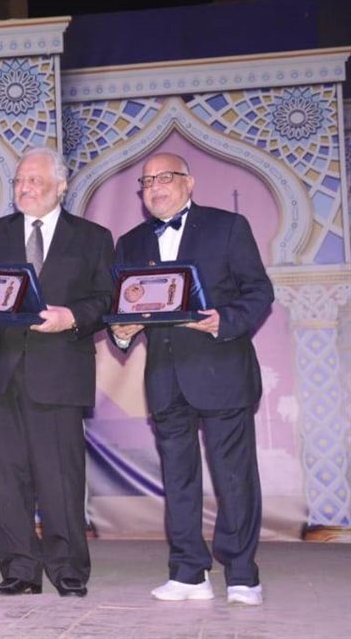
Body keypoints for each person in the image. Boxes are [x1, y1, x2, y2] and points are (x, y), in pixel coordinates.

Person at [0, 147, 113, 598]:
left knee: (61, 479)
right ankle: (19, 569)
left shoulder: (92, 237)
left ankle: (68, 570)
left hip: (59, 371)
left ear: (62, 185)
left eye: (35, 180)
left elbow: (106, 300)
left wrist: (71, 318)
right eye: (19, 180)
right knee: (5, 479)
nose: (25, 188)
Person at [111, 152, 273, 606]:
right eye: (146, 182)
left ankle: (242, 574)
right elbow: (122, 305)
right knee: (178, 479)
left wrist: (224, 320)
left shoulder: (228, 226)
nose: (155, 187)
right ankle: (187, 572)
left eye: (165, 178)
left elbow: (259, 291)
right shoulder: (130, 242)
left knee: (234, 477)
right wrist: (122, 331)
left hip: (222, 370)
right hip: (165, 378)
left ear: (189, 182)